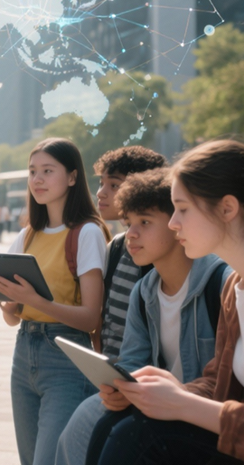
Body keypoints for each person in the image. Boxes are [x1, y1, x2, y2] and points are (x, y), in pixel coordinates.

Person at [91, 139, 244, 465]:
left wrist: (181, 404)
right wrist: (170, 390)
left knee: (139, 437)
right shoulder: (235, 285)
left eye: (183, 209)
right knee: (114, 424)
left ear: (228, 208)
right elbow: (219, 384)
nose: (174, 224)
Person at [55, 168, 230, 465]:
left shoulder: (221, 282)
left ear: (177, 224)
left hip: (207, 416)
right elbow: (132, 362)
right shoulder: (144, 291)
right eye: (128, 223)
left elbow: (231, 382)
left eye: (145, 222)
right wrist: (119, 389)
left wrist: (175, 395)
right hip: (158, 406)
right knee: (86, 416)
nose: (131, 234)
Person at [0, 137, 110, 465]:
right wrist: (12, 305)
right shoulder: (26, 235)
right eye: (32, 171)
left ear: (72, 177)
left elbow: (90, 318)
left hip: (68, 359)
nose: (37, 179)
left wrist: (34, 300)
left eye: (47, 171)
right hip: (23, 355)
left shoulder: (87, 233)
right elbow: (12, 319)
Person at [93, 146, 167, 358]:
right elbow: (105, 318)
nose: (101, 193)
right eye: (101, 184)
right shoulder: (116, 246)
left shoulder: (163, 251)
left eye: (114, 185)